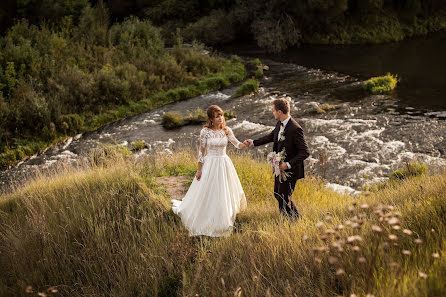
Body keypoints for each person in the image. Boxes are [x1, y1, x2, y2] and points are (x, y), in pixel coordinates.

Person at [172, 105, 247, 237]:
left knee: (224, 191)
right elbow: (202, 152)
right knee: (210, 191)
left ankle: (223, 218)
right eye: (217, 116)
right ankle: (206, 217)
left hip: (224, 163)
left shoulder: (226, 130)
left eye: (221, 115)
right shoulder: (205, 132)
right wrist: (199, 170)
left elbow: (237, 144)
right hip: (210, 163)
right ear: (211, 119)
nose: (220, 118)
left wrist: (245, 144)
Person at [244, 98, 310, 219]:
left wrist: (288, 164)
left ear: (279, 112)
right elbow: (271, 136)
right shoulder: (280, 123)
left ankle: (294, 220)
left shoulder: (296, 129)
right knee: (277, 194)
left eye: (273, 111)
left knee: (284, 196)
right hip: (279, 167)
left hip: (290, 170)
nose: (273, 113)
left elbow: (305, 152)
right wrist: (253, 142)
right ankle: (290, 219)